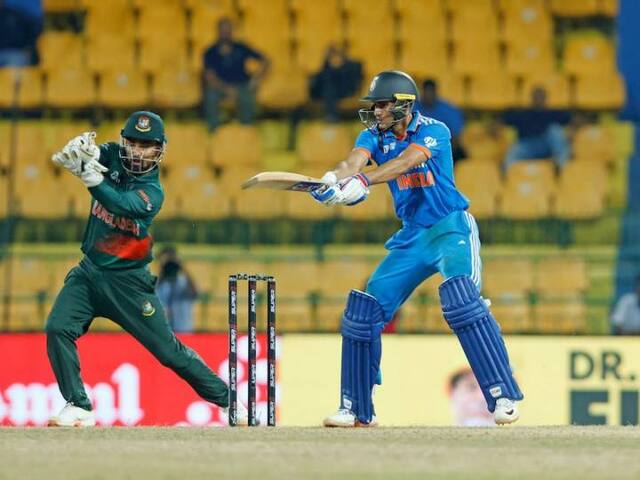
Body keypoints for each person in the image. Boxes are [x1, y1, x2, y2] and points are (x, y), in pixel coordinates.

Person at [310, 70, 523, 427]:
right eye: (374, 106)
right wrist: (335, 179)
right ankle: (356, 409)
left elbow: (406, 162)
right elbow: (353, 161)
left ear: (404, 105)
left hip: (450, 228)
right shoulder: (372, 135)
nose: (376, 112)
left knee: (462, 302)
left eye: (382, 105)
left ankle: (503, 395)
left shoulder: (435, 130)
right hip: (412, 237)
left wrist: (363, 181)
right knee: (364, 313)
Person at [45, 111, 249, 427]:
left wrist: (89, 177)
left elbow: (119, 204)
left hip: (128, 284)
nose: (138, 152)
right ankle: (79, 405)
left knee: (169, 353)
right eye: (134, 143)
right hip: (88, 273)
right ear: (124, 142)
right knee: (58, 328)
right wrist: (84, 150)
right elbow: (97, 152)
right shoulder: (113, 154)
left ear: (159, 150)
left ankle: (231, 403)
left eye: (147, 146)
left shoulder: (153, 193)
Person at [202, 17, 270, 131]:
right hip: (220, 87)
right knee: (210, 96)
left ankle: (247, 130)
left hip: (242, 85)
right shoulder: (210, 52)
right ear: (218, 31)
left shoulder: (241, 47)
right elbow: (210, 77)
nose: (226, 33)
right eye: (223, 30)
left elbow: (265, 61)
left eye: (228, 30)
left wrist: (257, 79)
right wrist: (226, 89)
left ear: (232, 31)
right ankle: (213, 131)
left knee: (248, 97)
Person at [502, 86, 572, 171]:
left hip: (546, 145)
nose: (538, 100)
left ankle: (561, 166)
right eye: (536, 98)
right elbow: (505, 119)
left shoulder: (552, 113)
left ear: (545, 99)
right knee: (514, 150)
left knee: (555, 130)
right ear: (532, 99)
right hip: (527, 146)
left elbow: (570, 119)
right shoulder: (523, 114)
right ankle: (506, 173)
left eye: (541, 98)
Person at [309, 44, 363, 121]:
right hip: (327, 92)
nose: (334, 59)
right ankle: (331, 115)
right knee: (328, 85)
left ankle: (332, 115)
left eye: (335, 56)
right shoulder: (326, 68)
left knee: (329, 86)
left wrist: (337, 67)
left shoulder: (350, 66)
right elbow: (318, 80)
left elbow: (351, 81)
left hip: (345, 90)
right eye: (331, 57)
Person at [417, 79, 466, 162]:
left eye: (431, 92)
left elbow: (455, 137)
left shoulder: (449, 110)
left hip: (443, 151)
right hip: (418, 150)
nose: (428, 95)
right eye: (426, 92)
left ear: (435, 92)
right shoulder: (414, 108)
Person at [156, 249, 199, 333]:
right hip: (166, 332)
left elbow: (195, 292)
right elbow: (154, 295)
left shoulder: (184, 282)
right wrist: (163, 271)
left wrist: (182, 267)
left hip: (184, 329)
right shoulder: (161, 284)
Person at [0, 0, 43, 66]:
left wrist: (29, 48)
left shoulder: (15, 15)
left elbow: (33, 31)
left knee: (13, 61)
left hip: (15, 53)